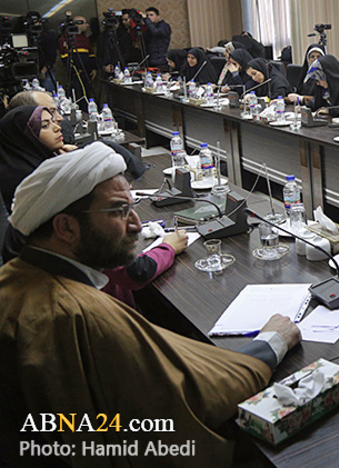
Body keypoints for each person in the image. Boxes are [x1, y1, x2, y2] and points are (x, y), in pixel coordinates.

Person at [0, 143, 301, 466]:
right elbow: (194, 394)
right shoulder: (82, 314)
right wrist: (271, 343)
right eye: (118, 211)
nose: (135, 224)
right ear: (66, 228)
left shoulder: (14, 277)